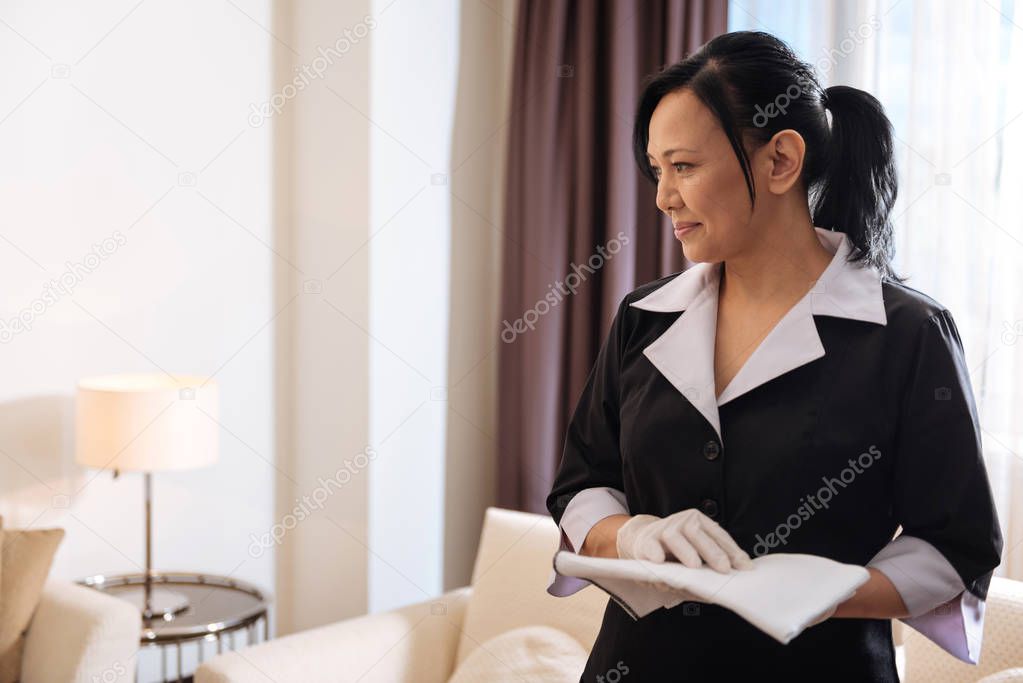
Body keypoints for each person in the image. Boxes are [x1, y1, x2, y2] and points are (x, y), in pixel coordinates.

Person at [545, 30, 1003, 681]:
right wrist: (630, 535)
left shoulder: (907, 334)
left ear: (780, 160)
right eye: (656, 171)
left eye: (683, 166)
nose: (661, 197)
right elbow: (580, 482)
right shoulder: (642, 319)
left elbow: (956, 546)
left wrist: (825, 590)